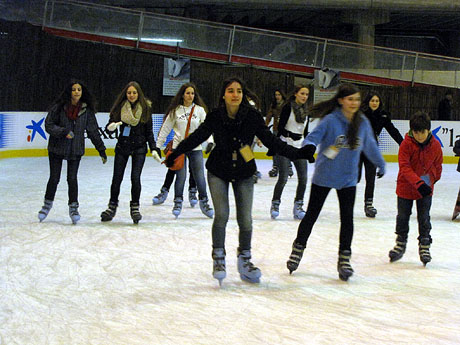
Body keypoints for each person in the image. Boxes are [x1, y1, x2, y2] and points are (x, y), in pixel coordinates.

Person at [165, 77, 315, 286]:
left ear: (243, 95)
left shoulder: (252, 116)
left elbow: (272, 141)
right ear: (223, 94)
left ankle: (245, 259)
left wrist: (298, 153)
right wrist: (176, 152)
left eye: (238, 91)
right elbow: (197, 136)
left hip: (244, 170)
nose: (235, 94)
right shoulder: (216, 116)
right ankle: (218, 258)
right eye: (230, 90)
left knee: (245, 219)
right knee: (222, 215)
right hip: (218, 169)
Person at [286, 83, 386, 281]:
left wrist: (380, 163)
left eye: (357, 99)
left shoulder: (363, 122)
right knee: (312, 215)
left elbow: (371, 146)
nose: (354, 103)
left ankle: (344, 258)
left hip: (348, 179)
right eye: (350, 99)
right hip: (324, 176)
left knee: (347, 219)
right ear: (341, 100)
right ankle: (298, 248)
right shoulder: (331, 120)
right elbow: (313, 137)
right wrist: (308, 147)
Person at [38, 79, 107, 224]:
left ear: (82, 93)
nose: (76, 92)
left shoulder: (86, 111)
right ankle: (47, 204)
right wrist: (63, 131)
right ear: (69, 92)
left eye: (79, 90)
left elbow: (93, 131)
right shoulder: (59, 107)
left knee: (72, 179)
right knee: (54, 178)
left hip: (75, 149)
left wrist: (101, 149)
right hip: (56, 148)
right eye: (74, 89)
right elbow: (49, 125)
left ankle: (73, 208)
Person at [100, 81, 160, 224]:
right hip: (123, 147)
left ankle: (135, 207)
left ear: (138, 93)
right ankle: (112, 206)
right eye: (129, 93)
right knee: (117, 177)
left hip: (139, 148)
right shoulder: (120, 108)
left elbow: (149, 132)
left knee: (135, 177)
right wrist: (111, 126)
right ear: (125, 94)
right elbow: (109, 126)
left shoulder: (145, 109)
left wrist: (154, 148)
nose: (131, 95)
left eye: (134, 92)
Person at [388, 112, 442, 266]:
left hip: (425, 189)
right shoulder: (406, 144)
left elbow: (438, 165)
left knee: (424, 217)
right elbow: (405, 167)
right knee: (403, 216)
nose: (419, 136)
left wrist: (432, 181)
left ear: (428, 131)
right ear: (412, 131)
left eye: (422, 132)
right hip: (406, 187)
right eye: (416, 132)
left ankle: (424, 245)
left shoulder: (436, 145)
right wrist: (419, 183)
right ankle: (400, 243)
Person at [155, 82, 214, 219]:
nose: (190, 95)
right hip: (179, 148)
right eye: (187, 93)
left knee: (199, 176)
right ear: (182, 95)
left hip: (195, 148)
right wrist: (158, 146)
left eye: (192, 93)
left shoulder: (199, 110)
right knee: (180, 177)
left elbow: (207, 128)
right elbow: (165, 129)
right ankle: (178, 202)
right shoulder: (175, 111)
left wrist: (210, 141)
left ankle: (204, 202)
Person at [270, 84, 311, 220]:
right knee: (283, 177)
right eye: (302, 93)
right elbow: (280, 128)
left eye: (306, 94)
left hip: (300, 146)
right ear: (295, 94)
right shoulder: (288, 108)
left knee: (303, 179)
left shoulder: (306, 111)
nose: (304, 96)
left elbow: (305, 131)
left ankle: (298, 206)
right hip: (286, 145)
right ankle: (275, 204)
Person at [359, 92, 403, 217]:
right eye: (372, 100)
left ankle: (369, 204)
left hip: (372, 150)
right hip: (358, 149)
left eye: (377, 101)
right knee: (354, 177)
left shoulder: (383, 116)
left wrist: (403, 143)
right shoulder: (361, 114)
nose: (374, 103)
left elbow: (392, 130)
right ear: (368, 102)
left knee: (370, 177)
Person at [265, 89, 286, 177]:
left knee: (284, 148)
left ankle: (287, 166)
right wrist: (265, 125)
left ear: (282, 95)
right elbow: (269, 116)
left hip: (285, 130)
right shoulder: (273, 105)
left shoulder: (286, 105)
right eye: (276, 95)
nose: (277, 96)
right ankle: (275, 166)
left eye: (279, 95)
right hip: (275, 129)